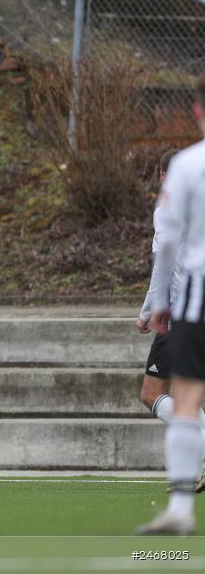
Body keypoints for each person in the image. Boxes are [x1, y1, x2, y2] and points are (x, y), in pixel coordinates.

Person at [136, 77, 205, 535]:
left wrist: (158, 303)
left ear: (198, 111)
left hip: (195, 295)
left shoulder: (187, 165)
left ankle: (181, 507)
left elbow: (167, 244)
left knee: (184, 396)